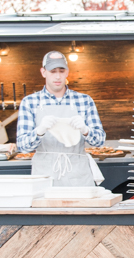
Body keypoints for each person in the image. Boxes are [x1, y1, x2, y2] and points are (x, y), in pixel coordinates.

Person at [16, 51, 105, 186]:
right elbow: (23, 147)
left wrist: (86, 130)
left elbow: (99, 141)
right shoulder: (30, 102)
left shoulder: (84, 100)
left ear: (67, 72)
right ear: (43, 72)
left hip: (78, 174)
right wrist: (39, 131)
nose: (57, 76)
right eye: (52, 71)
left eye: (61, 71)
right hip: (44, 175)